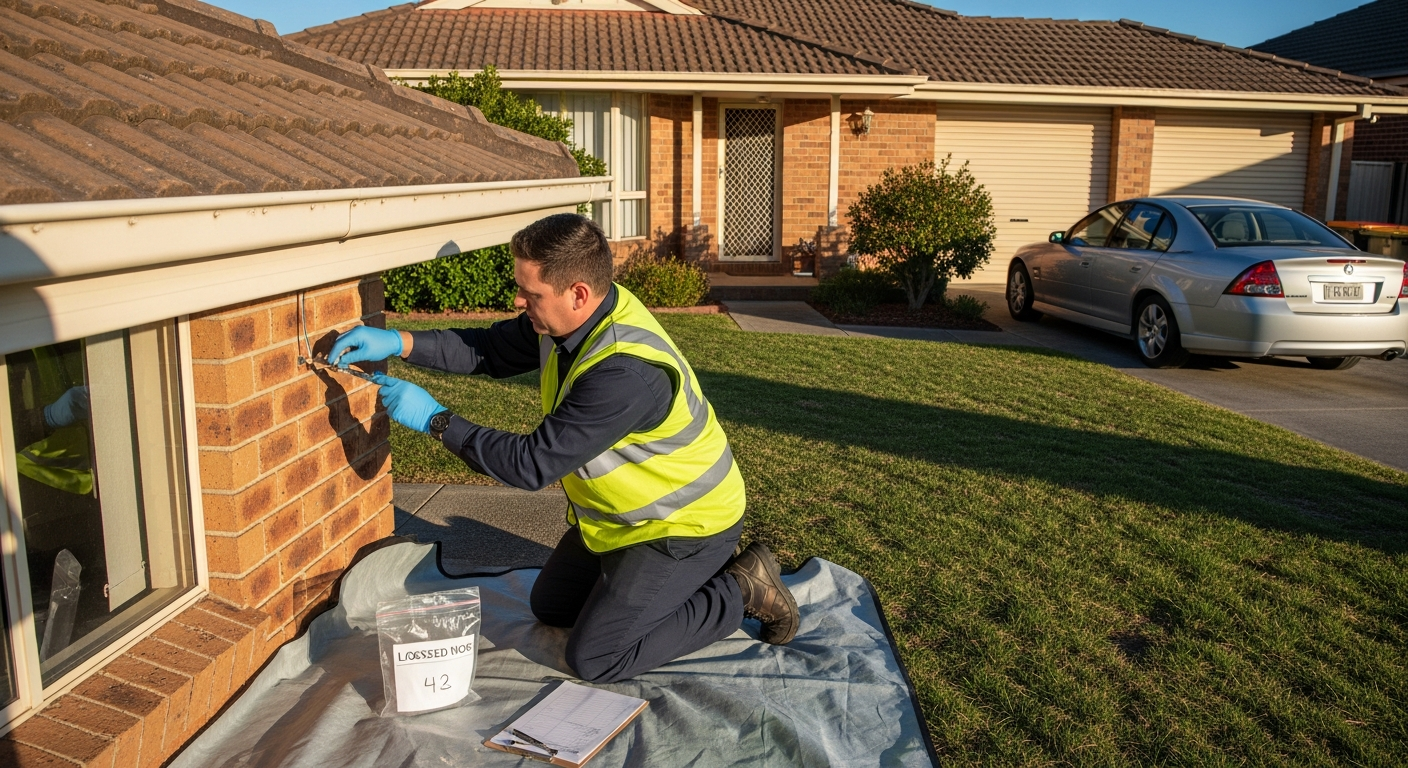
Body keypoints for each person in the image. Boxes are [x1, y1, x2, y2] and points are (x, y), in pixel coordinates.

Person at [329, 213, 799, 684]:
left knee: (596, 657)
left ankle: (742, 589)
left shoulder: (624, 375)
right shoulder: (569, 323)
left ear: (577, 293)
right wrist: (398, 340)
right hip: (621, 522)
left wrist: (436, 420)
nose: (519, 301)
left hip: (683, 526)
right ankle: (637, 590)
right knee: (550, 606)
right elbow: (490, 349)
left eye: (530, 294)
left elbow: (531, 464)